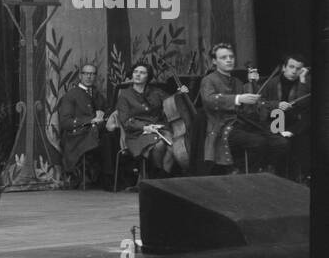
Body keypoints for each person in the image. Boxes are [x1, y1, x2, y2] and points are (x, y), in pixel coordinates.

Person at [198, 42, 289, 175]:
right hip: (223, 128)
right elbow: (209, 100)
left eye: (231, 57)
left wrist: (254, 85)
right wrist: (238, 98)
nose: (229, 60)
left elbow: (252, 108)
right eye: (223, 57)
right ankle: (245, 173)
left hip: (244, 124)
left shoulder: (238, 82)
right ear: (214, 61)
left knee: (281, 143)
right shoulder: (208, 80)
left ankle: (267, 171)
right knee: (258, 142)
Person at [114, 62, 187, 179]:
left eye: (142, 73)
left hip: (160, 129)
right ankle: (156, 176)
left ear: (148, 76)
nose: (138, 75)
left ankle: (162, 177)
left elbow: (171, 103)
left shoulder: (156, 91)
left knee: (172, 146)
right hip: (137, 133)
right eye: (135, 72)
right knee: (159, 144)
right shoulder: (124, 95)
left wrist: (180, 93)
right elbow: (125, 120)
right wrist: (144, 127)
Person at [56, 64, 115, 186]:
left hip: (96, 133)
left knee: (112, 135)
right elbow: (65, 122)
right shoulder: (71, 95)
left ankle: (111, 178)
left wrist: (104, 117)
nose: (89, 76)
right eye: (86, 73)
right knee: (106, 138)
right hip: (77, 136)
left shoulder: (98, 95)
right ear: (80, 75)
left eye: (93, 74)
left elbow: (107, 113)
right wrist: (91, 120)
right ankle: (108, 179)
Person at [255, 53, 311, 180]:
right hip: (274, 123)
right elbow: (259, 103)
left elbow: (304, 105)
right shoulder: (271, 83)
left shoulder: (305, 84)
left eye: (298, 69)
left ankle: (300, 178)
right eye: (291, 67)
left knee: (302, 142)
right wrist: (277, 104)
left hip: (297, 125)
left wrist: (302, 80)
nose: (294, 71)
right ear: (284, 67)